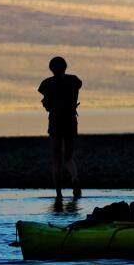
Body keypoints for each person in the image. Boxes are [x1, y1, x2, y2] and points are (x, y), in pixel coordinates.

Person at [38, 55, 82, 202]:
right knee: (68, 157)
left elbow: (47, 103)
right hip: (70, 120)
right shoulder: (74, 81)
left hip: (55, 121)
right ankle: (74, 178)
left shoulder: (46, 84)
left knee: (56, 159)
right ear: (65, 67)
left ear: (51, 69)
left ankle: (59, 193)